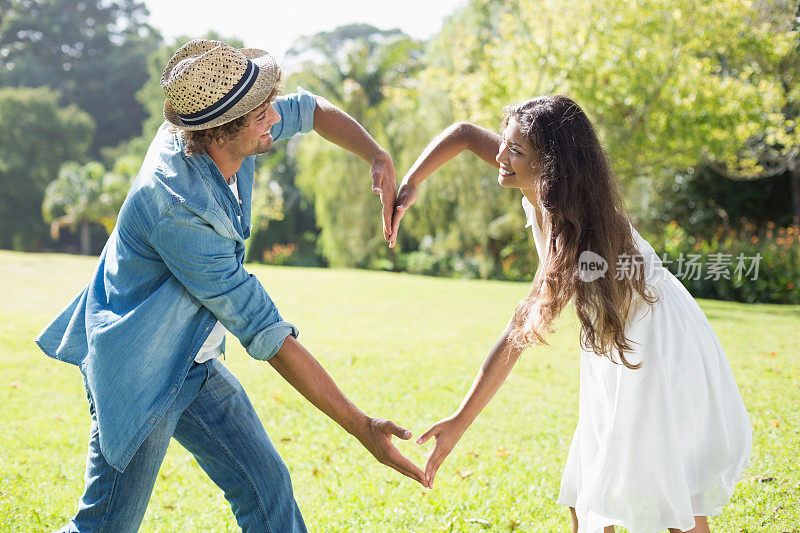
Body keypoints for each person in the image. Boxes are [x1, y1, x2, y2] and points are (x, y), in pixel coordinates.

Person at [35, 39, 425, 533]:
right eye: (261, 113)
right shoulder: (179, 207)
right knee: (104, 526)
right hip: (141, 368)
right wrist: (363, 427)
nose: (273, 118)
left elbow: (310, 110)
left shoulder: (226, 127)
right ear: (221, 130)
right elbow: (266, 332)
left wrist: (377, 154)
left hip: (191, 361)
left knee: (266, 488)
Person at [390, 95, 752, 533]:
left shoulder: (573, 231)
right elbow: (466, 134)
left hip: (655, 345)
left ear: (551, 165)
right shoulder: (530, 172)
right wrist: (412, 181)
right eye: (506, 143)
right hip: (617, 340)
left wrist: (460, 419)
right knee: (590, 494)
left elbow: (521, 328)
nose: (501, 157)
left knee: (664, 494)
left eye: (516, 150)